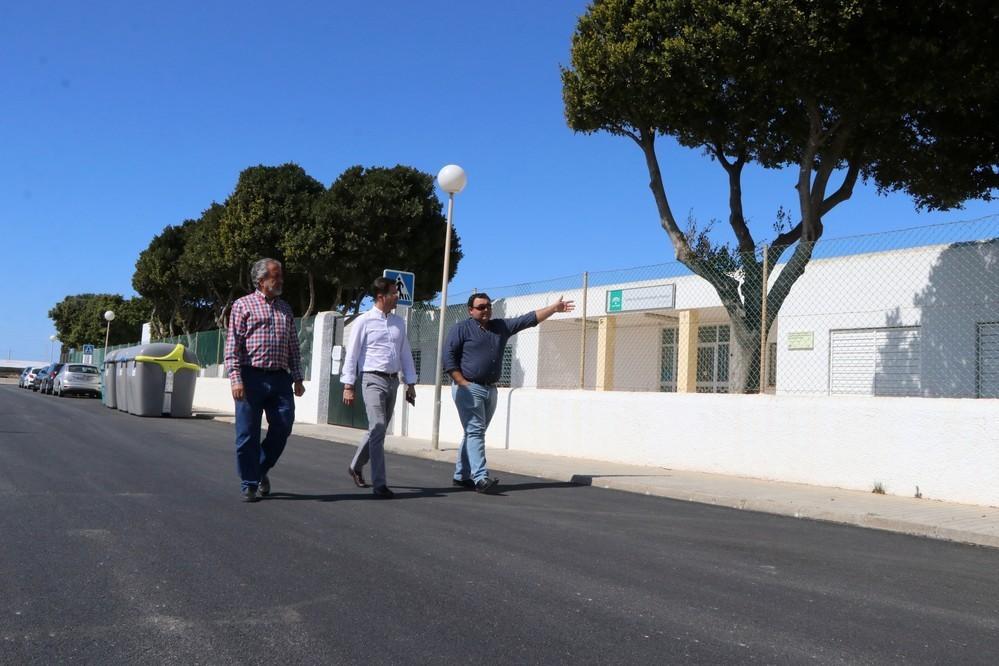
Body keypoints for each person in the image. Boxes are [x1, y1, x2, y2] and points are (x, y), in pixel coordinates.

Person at [443, 293, 574, 493]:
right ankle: (480, 478)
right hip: (468, 388)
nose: (485, 310)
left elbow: (527, 319)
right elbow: (448, 357)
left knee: (474, 432)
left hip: (490, 389)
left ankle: (461, 476)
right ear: (471, 310)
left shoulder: (500, 327)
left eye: (488, 306)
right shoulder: (461, 329)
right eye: (480, 307)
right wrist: (462, 383)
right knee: (476, 431)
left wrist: (553, 309)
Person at [224, 258, 306, 503]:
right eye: (275, 276)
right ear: (261, 281)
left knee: (283, 425)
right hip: (250, 377)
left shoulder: (286, 309)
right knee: (247, 433)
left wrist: (298, 378)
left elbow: (293, 345)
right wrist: (236, 379)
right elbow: (232, 346)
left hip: (280, 378)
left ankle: (260, 468)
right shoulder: (242, 305)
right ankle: (249, 482)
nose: (280, 280)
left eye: (280, 276)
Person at [341, 277, 418, 498]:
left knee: (379, 430)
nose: (397, 297)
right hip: (372, 379)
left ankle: (355, 466)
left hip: (393, 380)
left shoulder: (398, 322)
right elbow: (352, 354)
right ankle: (380, 483)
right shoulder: (364, 321)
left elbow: (405, 353)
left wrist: (410, 383)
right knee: (378, 426)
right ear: (381, 296)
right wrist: (348, 385)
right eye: (394, 293)